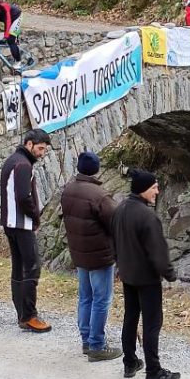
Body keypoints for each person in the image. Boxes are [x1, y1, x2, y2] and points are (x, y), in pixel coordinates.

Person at [113, 168, 180, 379]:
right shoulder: (148, 217)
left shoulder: (120, 209)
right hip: (147, 279)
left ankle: (130, 362)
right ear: (143, 190)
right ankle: (153, 371)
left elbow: (115, 242)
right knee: (152, 323)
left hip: (128, 275)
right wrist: (170, 274)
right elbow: (158, 252)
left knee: (130, 318)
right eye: (154, 188)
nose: (157, 192)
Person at [60, 151, 120, 362]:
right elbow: (116, 222)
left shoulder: (68, 189)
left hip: (79, 253)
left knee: (85, 297)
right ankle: (97, 345)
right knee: (101, 300)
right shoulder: (99, 195)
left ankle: (86, 340)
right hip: (100, 256)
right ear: (96, 169)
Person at [1, 128, 51, 333]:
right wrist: (36, 217)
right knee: (31, 267)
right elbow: (23, 197)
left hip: (10, 223)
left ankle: (21, 312)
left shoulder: (13, 160)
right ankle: (29, 315)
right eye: (40, 148)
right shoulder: (23, 165)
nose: (42, 153)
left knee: (18, 266)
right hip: (21, 224)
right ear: (29, 144)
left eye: (44, 150)